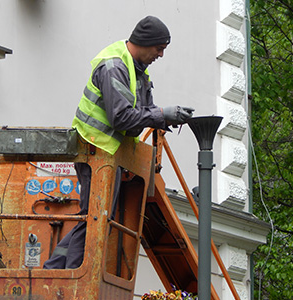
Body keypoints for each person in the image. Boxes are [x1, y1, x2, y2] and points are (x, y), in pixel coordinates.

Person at [43, 16, 193, 270]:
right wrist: (161, 115)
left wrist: (163, 117)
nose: (161, 54)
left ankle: (57, 270)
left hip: (105, 152)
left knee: (93, 218)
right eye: (159, 48)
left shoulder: (135, 69)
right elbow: (122, 117)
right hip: (95, 150)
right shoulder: (114, 67)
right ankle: (70, 277)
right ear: (145, 43)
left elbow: (138, 113)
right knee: (95, 218)